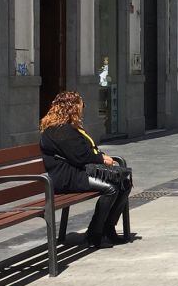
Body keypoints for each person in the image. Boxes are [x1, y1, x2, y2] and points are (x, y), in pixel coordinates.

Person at [39, 91, 132, 249]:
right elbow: (80, 156)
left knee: (124, 183)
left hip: (78, 171)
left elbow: (84, 152)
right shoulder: (59, 130)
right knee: (111, 188)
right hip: (67, 177)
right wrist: (101, 159)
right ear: (71, 107)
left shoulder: (68, 127)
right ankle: (94, 234)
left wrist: (100, 156)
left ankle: (107, 228)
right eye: (81, 105)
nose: (83, 108)